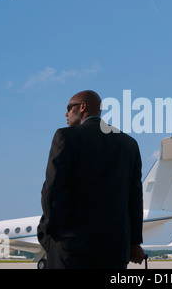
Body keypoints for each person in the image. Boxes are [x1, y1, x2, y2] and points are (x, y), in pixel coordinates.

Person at [37, 90, 145, 269]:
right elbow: (135, 198)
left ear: (82, 107)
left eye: (69, 108)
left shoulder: (66, 137)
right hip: (114, 251)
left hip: (71, 249)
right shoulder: (129, 144)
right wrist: (134, 243)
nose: (66, 113)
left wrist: (47, 234)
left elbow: (52, 191)